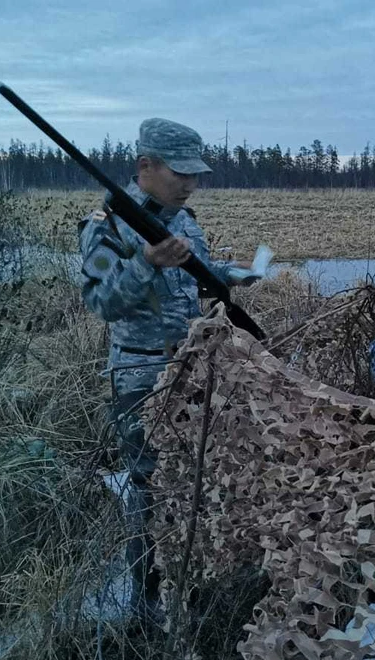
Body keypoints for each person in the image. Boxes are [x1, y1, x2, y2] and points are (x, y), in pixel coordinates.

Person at [78, 117, 255, 618]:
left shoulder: (182, 220)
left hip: (192, 369)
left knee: (196, 480)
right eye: (181, 173)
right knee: (151, 489)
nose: (190, 184)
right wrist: (145, 263)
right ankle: (147, 602)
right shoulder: (105, 226)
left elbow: (193, 273)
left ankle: (195, 586)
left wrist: (229, 274)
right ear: (145, 166)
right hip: (140, 378)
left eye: (197, 174)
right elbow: (102, 303)